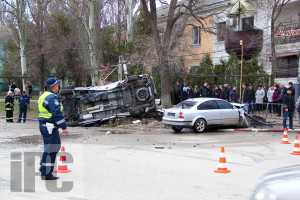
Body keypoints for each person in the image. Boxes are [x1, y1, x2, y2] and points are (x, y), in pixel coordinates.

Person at [38, 77, 68, 180]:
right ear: (53, 87)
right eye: (57, 85)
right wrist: (63, 127)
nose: (58, 87)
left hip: (46, 126)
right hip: (49, 126)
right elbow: (56, 113)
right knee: (52, 148)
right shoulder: (51, 97)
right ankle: (46, 173)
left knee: (50, 148)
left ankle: (44, 169)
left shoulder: (44, 95)